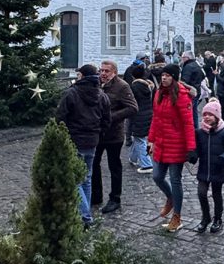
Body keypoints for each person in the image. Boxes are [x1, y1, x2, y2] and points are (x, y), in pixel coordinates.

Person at [55, 64, 110, 226]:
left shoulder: (71, 93)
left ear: (83, 76)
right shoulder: (101, 95)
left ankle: (85, 216)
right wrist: (98, 134)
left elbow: (60, 117)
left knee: (74, 179)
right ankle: (84, 213)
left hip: (74, 140)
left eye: (78, 75)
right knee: (86, 178)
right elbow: (107, 120)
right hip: (92, 141)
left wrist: (63, 136)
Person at [148, 64, 196, 232]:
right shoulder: (159, 93)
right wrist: (151, 140)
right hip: (161, 143)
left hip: (176, 144)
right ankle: (170, 198)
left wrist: (191, 148)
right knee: (157, 176)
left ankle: (177, 215)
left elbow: (188, 123)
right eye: (163, 75)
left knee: (175, 180)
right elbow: (156, 118)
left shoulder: (182, 96)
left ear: (174, 77)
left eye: (168, 75)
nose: (164, 78)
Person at [91, 60, 138, 216]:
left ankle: (115, 198)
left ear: (114, 72)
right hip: (97, 133)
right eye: (101, 70)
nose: (103, 73)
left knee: (114, 166)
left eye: (107, 71)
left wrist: (110, 117)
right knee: (94, 164)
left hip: (114, 134)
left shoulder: (122, 86)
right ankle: (96, 196)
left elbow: (132, 108)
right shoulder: (97, 84)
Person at [190, 98, 224, 233]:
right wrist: (193, 154)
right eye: (204, 115)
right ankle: (206, 217)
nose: (207, 117)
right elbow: (196, 148)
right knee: (201, 193)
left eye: (210, 115)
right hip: (204, 169)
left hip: (218, 169)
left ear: (216, 116)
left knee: (217, 195)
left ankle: (217, 219)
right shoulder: (199, 132)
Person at [125, 63, 155, 174]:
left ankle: (147, 164)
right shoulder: (148, 86)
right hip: (148, 114)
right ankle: (133, 158)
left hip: (138, 116)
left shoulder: (134, 87)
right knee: (138, 139)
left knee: (140, 139)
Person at [180, 51, 206, 125]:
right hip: (197, 90)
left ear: (187, 58)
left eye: (183, 57)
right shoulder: (196, 64)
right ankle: (195, 128)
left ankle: (191, 129)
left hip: (190, 92)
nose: (182, 59)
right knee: (194, 113)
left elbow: (184, 80)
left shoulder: (188, 67)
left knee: (189, 113)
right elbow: (203, 75)